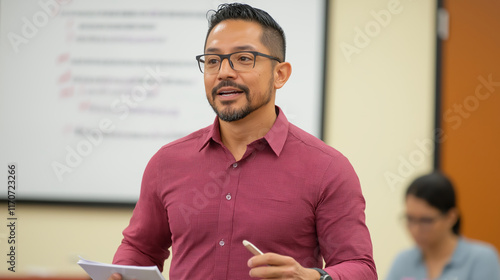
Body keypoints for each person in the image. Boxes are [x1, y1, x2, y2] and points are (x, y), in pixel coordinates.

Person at [110, 3, 377, 280]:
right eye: (213, 61)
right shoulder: (167, 162)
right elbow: (140, 249)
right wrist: (122, 273)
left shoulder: (327, 169)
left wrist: (313, 277)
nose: (224, 72)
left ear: (280, 74)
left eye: (243, 58)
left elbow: (360, 267)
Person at [386, 172, 500, 280]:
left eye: (426, 221)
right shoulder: (403, 262)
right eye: (410, 219)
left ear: (451, 217)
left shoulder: (481, 259)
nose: (415, 229)